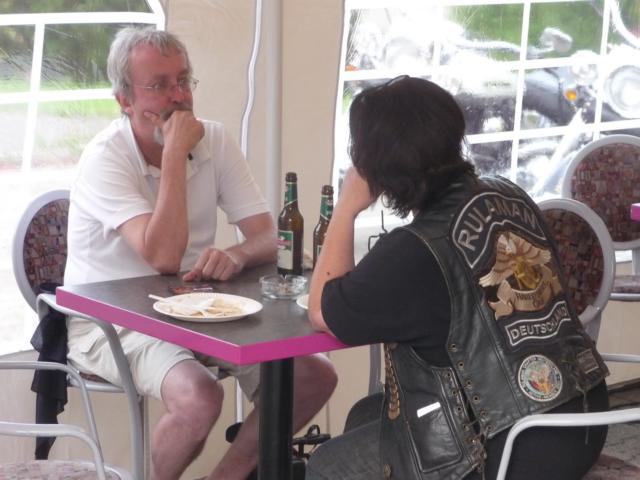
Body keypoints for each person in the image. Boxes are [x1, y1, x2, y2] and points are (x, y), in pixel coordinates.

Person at [64, 26, 337, 480]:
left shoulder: (216, 139)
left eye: (183, 80)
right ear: (125, 100)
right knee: (200, 398)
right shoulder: (104, 159)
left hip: (193, 306)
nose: (178, 96)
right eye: (158, 85)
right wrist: (174, 153)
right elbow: (163, 257)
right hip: (109, 319)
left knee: (314, 376)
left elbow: (269, 236)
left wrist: (238, 254)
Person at [306, 76, 609, 480]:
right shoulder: (510, 195)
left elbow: (322, 311)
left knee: (328, 465)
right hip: (582, 417)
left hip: (512, 447)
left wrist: (346, 207)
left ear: (375, 166)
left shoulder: (415, 248)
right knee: (368, 412)